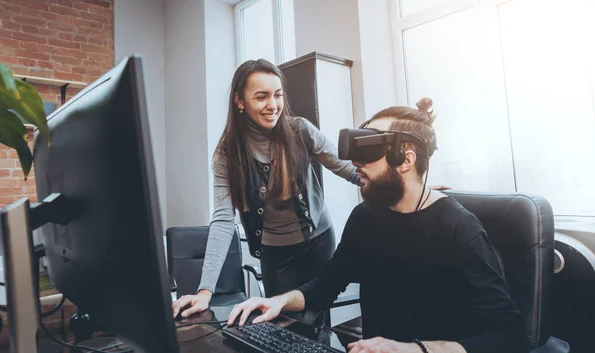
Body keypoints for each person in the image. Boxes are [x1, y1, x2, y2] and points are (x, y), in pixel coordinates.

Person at [227, 98, 526, 353]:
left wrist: (413, 350)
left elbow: (511, 334)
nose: (356, 164)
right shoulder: (365, 218)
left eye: (368, 151)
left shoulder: (460, 229)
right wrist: (277, 302)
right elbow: (324, 287)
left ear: (405, 159)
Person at [172, 59, 361, 319]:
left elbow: (348, 169)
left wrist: (408, 188)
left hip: (318, 241)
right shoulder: (228, 153)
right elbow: (224, 220)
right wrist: (205, 292)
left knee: (318, 319)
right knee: (283, 325)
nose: (272, 105)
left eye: (278, 95)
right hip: (275, 255)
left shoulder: (300, 130)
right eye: (261, 97)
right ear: (240, 101)